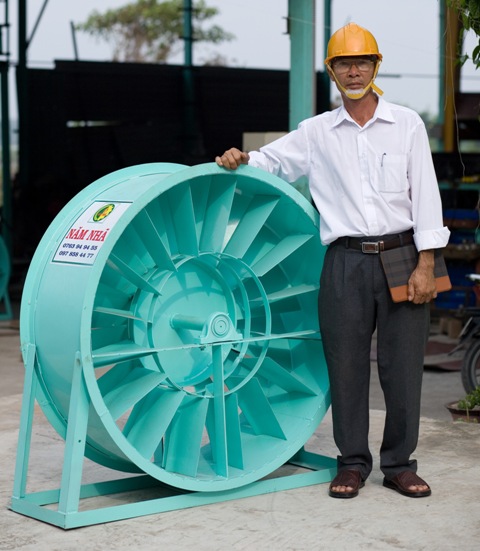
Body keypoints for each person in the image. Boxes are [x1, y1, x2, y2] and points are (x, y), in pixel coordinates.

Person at [215, 22, 450, 499]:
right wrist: (241, 158)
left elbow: (427, 194)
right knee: (344, 365)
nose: (354, 71)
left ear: (376, 67)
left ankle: (399, 464)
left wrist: (427, 263)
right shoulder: (316, 132)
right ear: (332, 71)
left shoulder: (407, 124)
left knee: (403, 368)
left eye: (362, 62)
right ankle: (352, 463)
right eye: (344, 63)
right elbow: (270, 162)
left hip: (403, 254)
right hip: (344, 261)